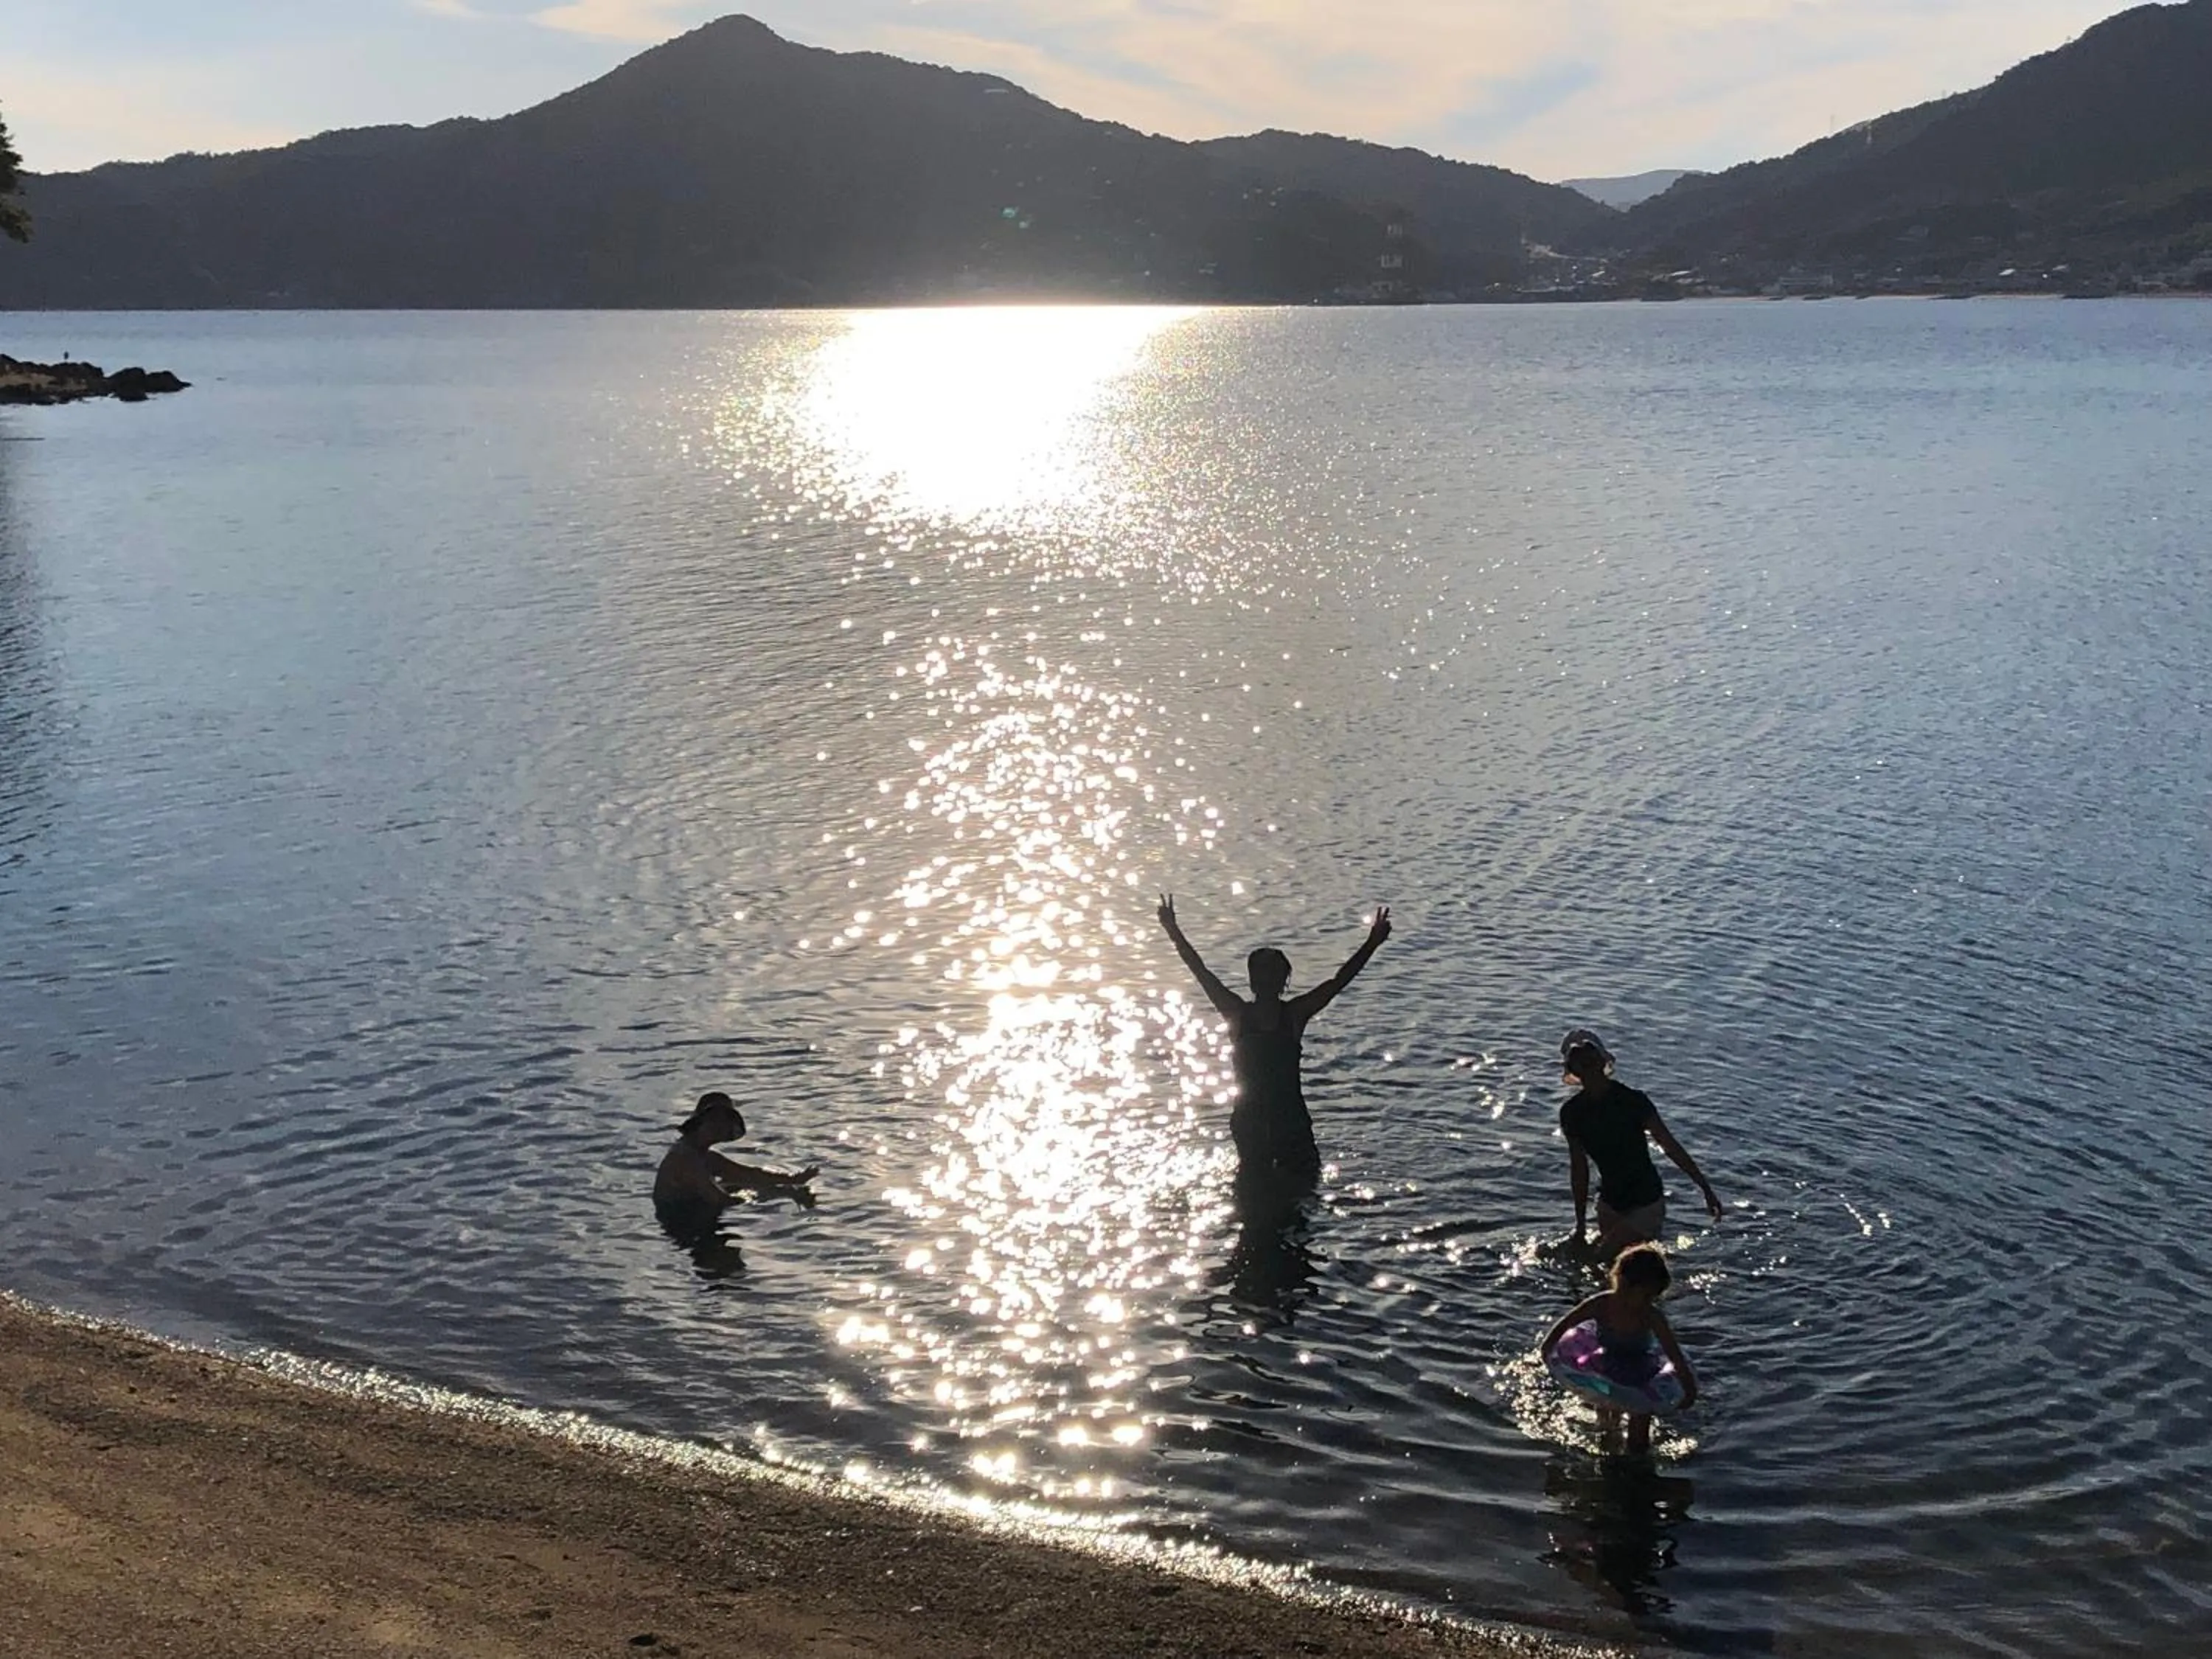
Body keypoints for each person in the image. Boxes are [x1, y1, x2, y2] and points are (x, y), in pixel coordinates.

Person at [1156, 894, 1392, 1185]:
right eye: (1263, 973)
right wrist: (1172, 930)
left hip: (1284, 1122)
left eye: (1271, 973)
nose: (1267, 979)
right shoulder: (1254, 1014)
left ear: (1280, 980)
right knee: (1273, 1189)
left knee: (1274, 1191)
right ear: (1257, 979)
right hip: (1260, 1123)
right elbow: (1200, 971)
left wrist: (1372, 944)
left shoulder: (1281, 1014)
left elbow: (1338, 982)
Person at [1558, 1030, 1721, 1260]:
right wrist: (1580, 1225)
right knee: (1615, 1268)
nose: (1588, 1067)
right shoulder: (1572, 1113)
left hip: (1646, 1201)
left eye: (1591, 1059)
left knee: (1602, 1257)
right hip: (1609, 1203)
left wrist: (1705, 1188)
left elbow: (1670, 1145)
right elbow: (1579, 1169)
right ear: (1574, 1071)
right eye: (1580, 1062)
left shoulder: (1633, 1101)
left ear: (1603, 1062)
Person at [1540, 1242, 1699, 1455]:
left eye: (1653, 1297)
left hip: (1641, 1367)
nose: (1649, 1301)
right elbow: (1566, 1324)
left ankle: (1638, 1456)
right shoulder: (1601, 1304)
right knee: (1607, 1414)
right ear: (1624, 1284)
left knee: (1641, 1415)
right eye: (1646, 1295)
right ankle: (1608, 1448)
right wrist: (1547, 1349)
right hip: (1607, 1363)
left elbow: (1674, 1354)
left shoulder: (1651, 1316)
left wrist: (1689, 1389)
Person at [653, 1092, 818, 1247]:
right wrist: (779, 1194)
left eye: (724, 1121)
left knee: (736, 1185)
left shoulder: (704, 1156)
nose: (720, 1126)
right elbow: (722, 1201)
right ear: (699, 1122)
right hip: (687, 1229)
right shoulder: (686, 1160)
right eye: (714, 1120)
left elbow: (747, 1174)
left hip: (699, 1215)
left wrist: (793, 1180)